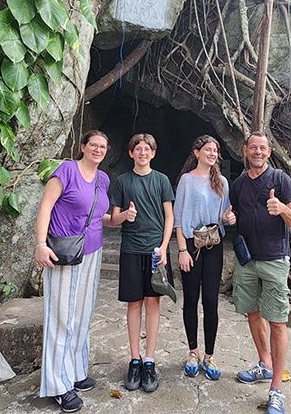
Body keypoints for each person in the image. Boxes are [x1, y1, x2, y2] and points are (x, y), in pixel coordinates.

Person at [33, 130, 113, 413]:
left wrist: (121, 217)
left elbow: (98, 215)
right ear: (83, 146)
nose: (98, 150)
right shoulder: (66, 171)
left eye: (103, 146)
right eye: (93, 145)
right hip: (63, 252)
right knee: (62, 317)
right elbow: (46, 206)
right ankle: (58, 385)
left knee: (82, 315)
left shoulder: (103, 179)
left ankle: (76, 371)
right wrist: (40, 244)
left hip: (92, 251)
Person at [230, 132, 291, 414]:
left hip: (274, 260)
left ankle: (276, 389)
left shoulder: (281, 180)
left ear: (269, 152)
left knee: (278, 322)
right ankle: (264, 363)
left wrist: (282, 208)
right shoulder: (238, 183)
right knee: (253, 313)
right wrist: (229, 218)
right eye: (253, 148)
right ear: (245, 151)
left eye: (262, 148)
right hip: (247, 259)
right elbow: (234, 213)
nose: (257, 152)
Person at [107, 133, 175, 393]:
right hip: (131, 249)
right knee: (134, 303)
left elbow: (169, 217)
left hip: (155, 251)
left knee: (153, 302)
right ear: (131, 153)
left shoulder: (162, 180)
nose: (143, 152)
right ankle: (134, 360)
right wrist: (126, 214)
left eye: (147, 149)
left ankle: (149, 360)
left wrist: (164, 247)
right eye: (138, 148)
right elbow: (113, 219)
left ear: (153, 153)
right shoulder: (122, 182)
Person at [174, 135, 237, 381]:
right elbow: (179, 218)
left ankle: (209, 356)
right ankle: (193, 352)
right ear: (197, 152)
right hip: (191, 244)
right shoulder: (186, 181)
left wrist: (228, 219)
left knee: (211, 301)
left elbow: (224, 215)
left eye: (215, 151)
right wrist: (182, 250)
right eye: (208, 149)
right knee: (191, 299)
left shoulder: (222, 182)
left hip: (214, 244)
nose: (212, 154)